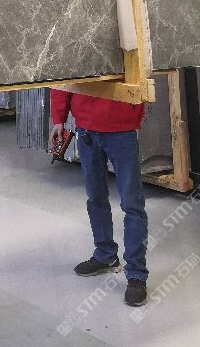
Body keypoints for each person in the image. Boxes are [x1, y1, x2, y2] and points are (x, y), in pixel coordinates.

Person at [49, 90, 148, 308]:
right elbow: (63, 78)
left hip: (121, 128)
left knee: (132, 204)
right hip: (86, 128)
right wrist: (59, 118)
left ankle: (137, 274)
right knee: (95, 197)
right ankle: (105, 255)